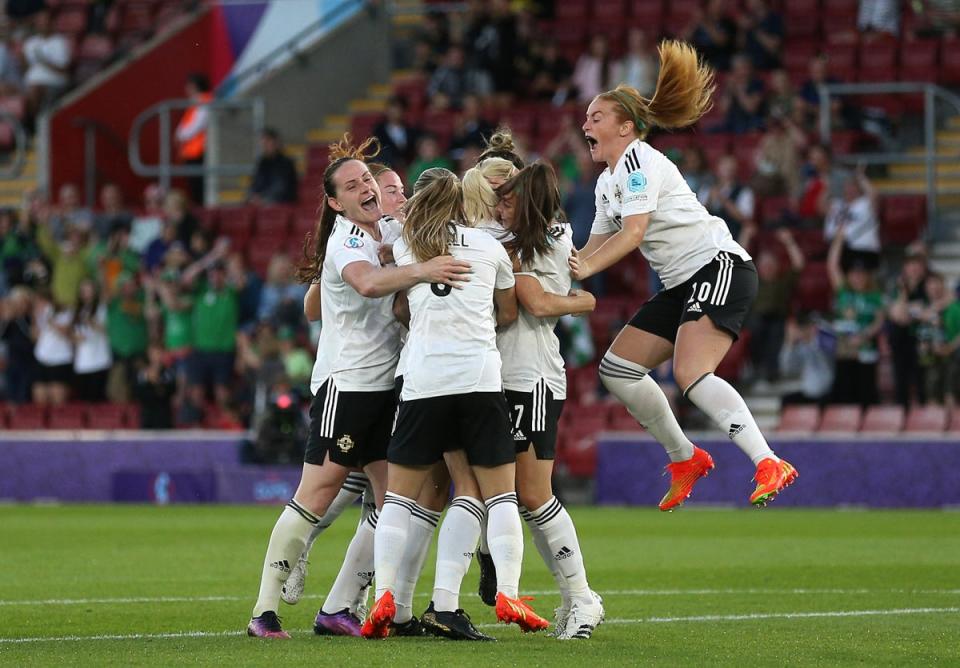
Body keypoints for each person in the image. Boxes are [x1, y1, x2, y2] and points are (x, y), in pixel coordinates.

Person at [245, 136, 470, 639]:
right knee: (317, 494)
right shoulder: (345, 240)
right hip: (346, 387)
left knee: (394, 504)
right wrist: (424, 269)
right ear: (335, 202)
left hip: (386, 386)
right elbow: (368, 284)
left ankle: (341, 607)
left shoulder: (390, 228)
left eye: (368, 180)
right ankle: (264, 610)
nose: (367, 188)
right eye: (353, 185)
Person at [572, 40, 798, 510]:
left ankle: (768, 460)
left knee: (691, 374)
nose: (585, 124)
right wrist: (558, 268)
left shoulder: (638, 160)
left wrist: (585, 268)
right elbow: (592, 246)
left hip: (718, 266)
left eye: (596, 117)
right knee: (617, 369)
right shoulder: (606, 181)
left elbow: (632, 234)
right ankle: (685, 456)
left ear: (626, 127)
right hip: (683, 281)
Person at [362, 168, 549, 640]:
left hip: (423, 382)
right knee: (500, 495)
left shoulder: (407, 248)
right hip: (479, 380)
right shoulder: (489, 249)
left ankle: (385, 594)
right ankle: (508, 590)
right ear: (464, 204)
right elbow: (508, 312)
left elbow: (400, 304)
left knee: (401, 498)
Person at [494, 162, 603, 639]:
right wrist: (583, 299)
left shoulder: (542, 243)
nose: (499, 208)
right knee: (509, 494)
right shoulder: (526, 242)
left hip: (531, 377)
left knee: (534, 493)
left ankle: (581, 597)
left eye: (508, 201)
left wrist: (580, 299)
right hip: (500, 377)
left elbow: (535, 304)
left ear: (528, 204)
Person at [826, 224, 885, 406]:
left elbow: (879, 320)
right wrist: (839, 240)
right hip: (845, 348)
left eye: (861, 274)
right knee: (844, 387)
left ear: (867, 276)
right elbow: (832, 266)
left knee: (866, 389)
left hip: (866, 346)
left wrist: (864, 335)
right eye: (854, 274)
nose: (857, 278)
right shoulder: (844, 291)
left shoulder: (875, 296)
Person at [823, 167, 881, 271]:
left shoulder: (865, 203)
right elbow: (820, 206)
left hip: (862, 250)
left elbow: (874, 195)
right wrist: (828, 187)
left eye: (853, 186)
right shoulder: (837, 204)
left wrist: (861, 178)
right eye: (847, 186)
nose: (850, 189)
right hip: (836, 248)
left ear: (859, 188)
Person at [22, 8, 71, 119]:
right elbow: (25, 68)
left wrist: (44, 60)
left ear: (51, 22)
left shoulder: (60, 42)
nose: (42, 24)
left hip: (53, 82)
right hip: (29, 83)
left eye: (45, 21)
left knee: (35, 91)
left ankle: (33, 126)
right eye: (39, 21)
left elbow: (64, 70)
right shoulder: (30, 42)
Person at [778, 312, 834, 405]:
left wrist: (813, 338)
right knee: (786, 401)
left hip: (827, 393)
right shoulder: (802, 346)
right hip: (808, 393)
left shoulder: (825, 340)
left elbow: (825, 358)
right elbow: (786, 368)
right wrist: (789, 344)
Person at [71, 278, 111, 402]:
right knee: (84, 399)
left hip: (99, 360)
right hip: (82, 362)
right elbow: (74, 334)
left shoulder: (102, 308)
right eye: (83, 290)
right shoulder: (78, 310)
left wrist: (92, 322)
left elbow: (108, 331)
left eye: (89, 290)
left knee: (98, 399)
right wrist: (75, 338)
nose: (86, 293)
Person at [175, 73, 212, 204]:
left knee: (198, 186)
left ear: (195, 86)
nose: (186, 89)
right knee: (193, 185)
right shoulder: (195, 102)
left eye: (189, 86)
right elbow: (185, 124)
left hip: (198, 151)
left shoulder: (204, 100)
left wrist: (180, 136)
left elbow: (197, 125)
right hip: (191, 151)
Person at [698, 154, 754, 241]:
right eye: (724, 166)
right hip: (709, 231)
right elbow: (699, 215)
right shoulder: (707, 188)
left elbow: (743, 218)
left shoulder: (744, 191)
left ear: (735, 170)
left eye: (731, 167)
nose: (728, 170)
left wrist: (722, 199)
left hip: (732, 231)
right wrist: (709, 199)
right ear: (717, 168)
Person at [32, 293, 73, 405]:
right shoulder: (39, 314)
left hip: (59, 358)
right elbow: (34, 336)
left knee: (57, 395)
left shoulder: (66, 312)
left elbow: (65, 332)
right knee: (39, 394)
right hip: (42, 357)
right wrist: (35, 318)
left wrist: (49, 319)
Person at [248, 128, 299, 205]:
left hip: (282, 203)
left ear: (276, 142)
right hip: (264, 201)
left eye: (268, 142)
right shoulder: (262, 162)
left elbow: (281, 188)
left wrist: (263, 198)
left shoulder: (286, 163)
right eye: (263, 143)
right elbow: (255, 184)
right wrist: (253, 196)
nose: (265, 146)